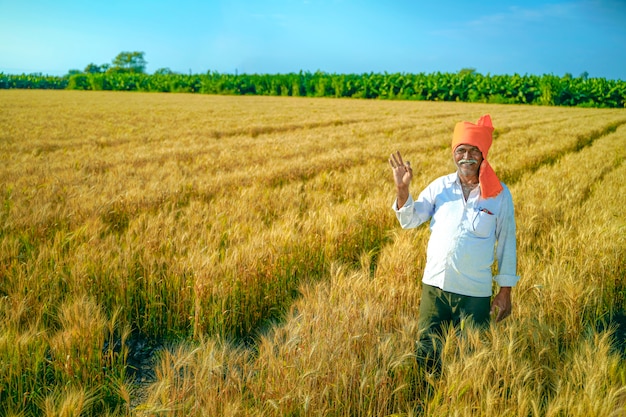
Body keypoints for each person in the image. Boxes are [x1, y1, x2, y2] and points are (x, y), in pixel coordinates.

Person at [389, 114, 519, 371]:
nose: (466, 156)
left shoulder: (499, 195)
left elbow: (507, 244)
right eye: (461, 150)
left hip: (474, 294)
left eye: (474, 150)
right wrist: (402, 191)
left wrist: (505, 292)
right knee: (427, 353)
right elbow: (410, 220)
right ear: (453, 153)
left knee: (469, 361)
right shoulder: (440, 187)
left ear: (484, 155)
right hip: (435, 287)